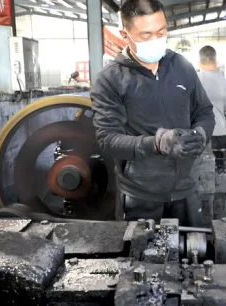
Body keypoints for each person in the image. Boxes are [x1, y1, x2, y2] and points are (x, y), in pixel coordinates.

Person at [90, 0, 215, 226]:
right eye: (146, 35)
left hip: (188, 190)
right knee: (142, 259)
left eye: (161, 31)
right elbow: (108, 140)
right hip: (141, 197)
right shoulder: (110, 79)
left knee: (194, 256)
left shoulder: (181, 66)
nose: (156, 40)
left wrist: (200, 134)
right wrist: (157, 143)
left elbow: (205, 111)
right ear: (125, 35)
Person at [197, 46, 226, 150]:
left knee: (200, 166)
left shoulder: (193, 80)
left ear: (199, 62)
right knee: (220, 165)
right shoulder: (224, 81)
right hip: (220, 133)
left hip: (199, 134)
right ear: (215, 62)